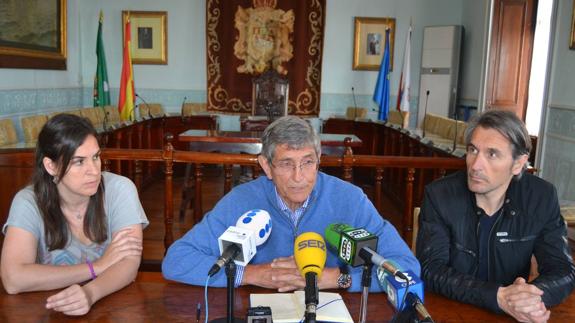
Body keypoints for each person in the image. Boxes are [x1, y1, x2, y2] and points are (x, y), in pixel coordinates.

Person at [162, 116, 419, 292]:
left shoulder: (350, 200)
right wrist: (252, 275)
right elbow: (176, 260)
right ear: (266, 166)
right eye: (286, 164)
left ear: (319, 160)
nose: (299, 177)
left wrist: (337, 279)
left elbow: (406, 268)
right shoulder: (241, 200)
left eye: (308, 162)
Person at [416, 110, 575, 322]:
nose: (475, 165)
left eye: (492, 154)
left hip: (512, 316)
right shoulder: (440, 195)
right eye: (473, 150)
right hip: (451, 312)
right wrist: (498, 297)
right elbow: (430, 269)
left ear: (518, 164)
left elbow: (563, 270)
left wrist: (530, 298)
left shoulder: (541, 197)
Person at [1, 114, 148, 316]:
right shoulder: (28, 202)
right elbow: (13, 279)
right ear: (51, 166)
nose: (94, 171)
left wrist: (89, 293)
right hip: (49, 310)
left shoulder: (120, 189)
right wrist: (97, 267)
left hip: (111, 307)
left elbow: (129, 265)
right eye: (79, 162)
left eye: (96, 157)